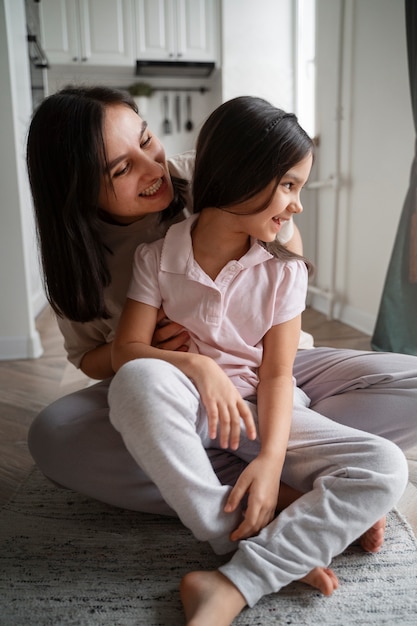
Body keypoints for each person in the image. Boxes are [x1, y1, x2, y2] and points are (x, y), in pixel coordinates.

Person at [25, 86, 413, 619]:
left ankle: (263, 467)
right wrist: (167, 357)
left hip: (275, 374)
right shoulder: (122, 260)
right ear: (77, 188)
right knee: (60, 434)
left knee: (386, 428)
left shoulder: (209, 175)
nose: (153, 167)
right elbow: (98, 360)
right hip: (174, 389)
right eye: (122, 169)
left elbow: (277, 359)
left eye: (147, 141)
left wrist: (277, 239)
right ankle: (263, 507)